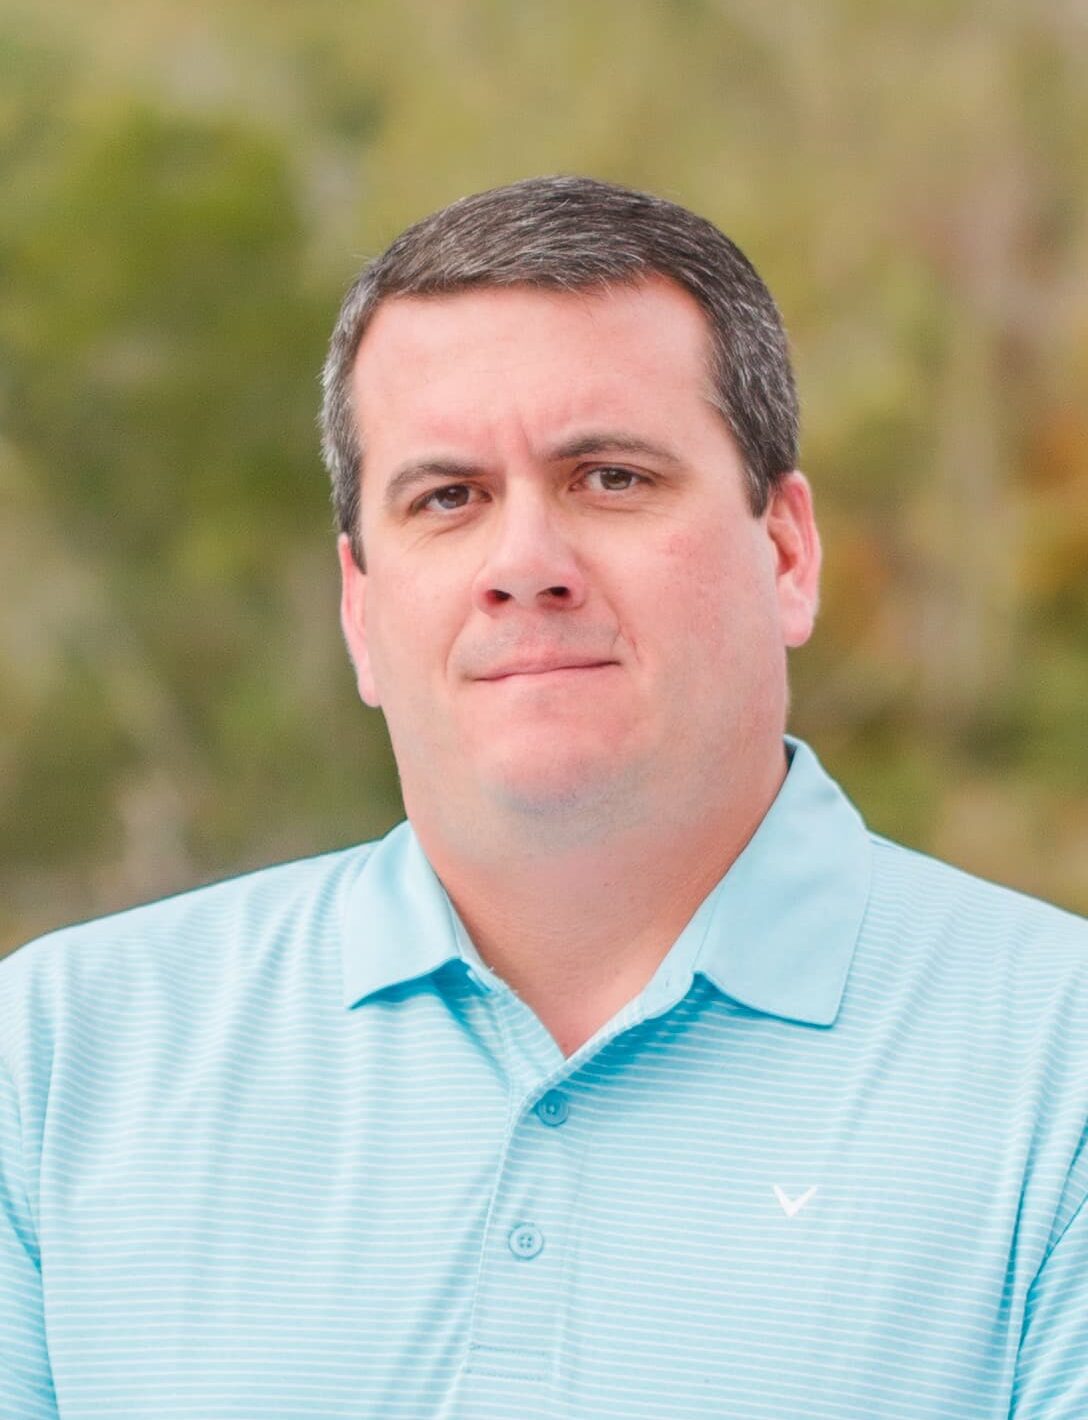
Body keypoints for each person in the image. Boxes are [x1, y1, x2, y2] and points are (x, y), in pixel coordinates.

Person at [0, 176, 1084, 1419]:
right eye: (447, 498)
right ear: (361, 608)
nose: (525, 565)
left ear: (784, 553)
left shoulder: (1058, 1076)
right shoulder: (53, 1065)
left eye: (609, 478)